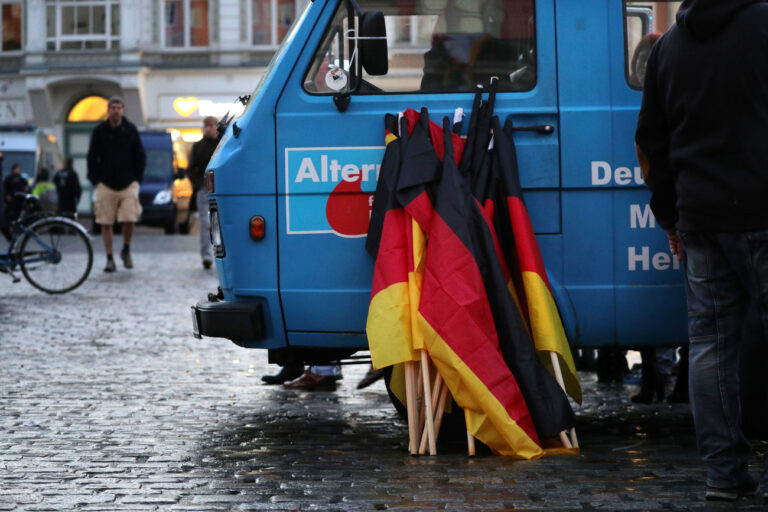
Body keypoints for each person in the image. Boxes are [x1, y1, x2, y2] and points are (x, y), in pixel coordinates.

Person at [635, 0, 768, 502]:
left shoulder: (669, 47)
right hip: (761, 211)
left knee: (710, 347)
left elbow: (651, 140)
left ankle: (723, 476)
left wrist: (670, 217)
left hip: (701, 216)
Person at [87, 96, 146, 272]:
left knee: (130, 218)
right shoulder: (100, 131)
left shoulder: (131, 130)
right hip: (106, 183)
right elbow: (92, 157)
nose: (116, 111)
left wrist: (137, 178)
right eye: (113, 108)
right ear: (108, 110)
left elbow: (140, 156)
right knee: (106, 222)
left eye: (119, 107)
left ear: (123, 110)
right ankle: (109, 258)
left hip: (128, 183)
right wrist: (95, 178)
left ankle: (126, 249)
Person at [187, 116, 218, 270]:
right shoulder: (198, 146)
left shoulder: (222, 144)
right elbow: (191, 168)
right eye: (206, 126)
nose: (209, 128)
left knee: (220, 223)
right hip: (203, 189)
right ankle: (206, 255)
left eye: (211, 126)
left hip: (221, 189)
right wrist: (198, 184)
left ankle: (221, 254)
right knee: (206, 223)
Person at [2, 163, 29, 240]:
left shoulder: (21, 179)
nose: (18, 171)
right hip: (12, 201)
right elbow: (5, 188)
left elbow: (26, 187)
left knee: (19, 216)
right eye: (16, 169)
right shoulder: (9, 178)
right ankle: (10, 229)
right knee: (10, 216)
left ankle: (18, 230)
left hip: (20, 201)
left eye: (18, 169)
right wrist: (7, 196)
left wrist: (27, 189)